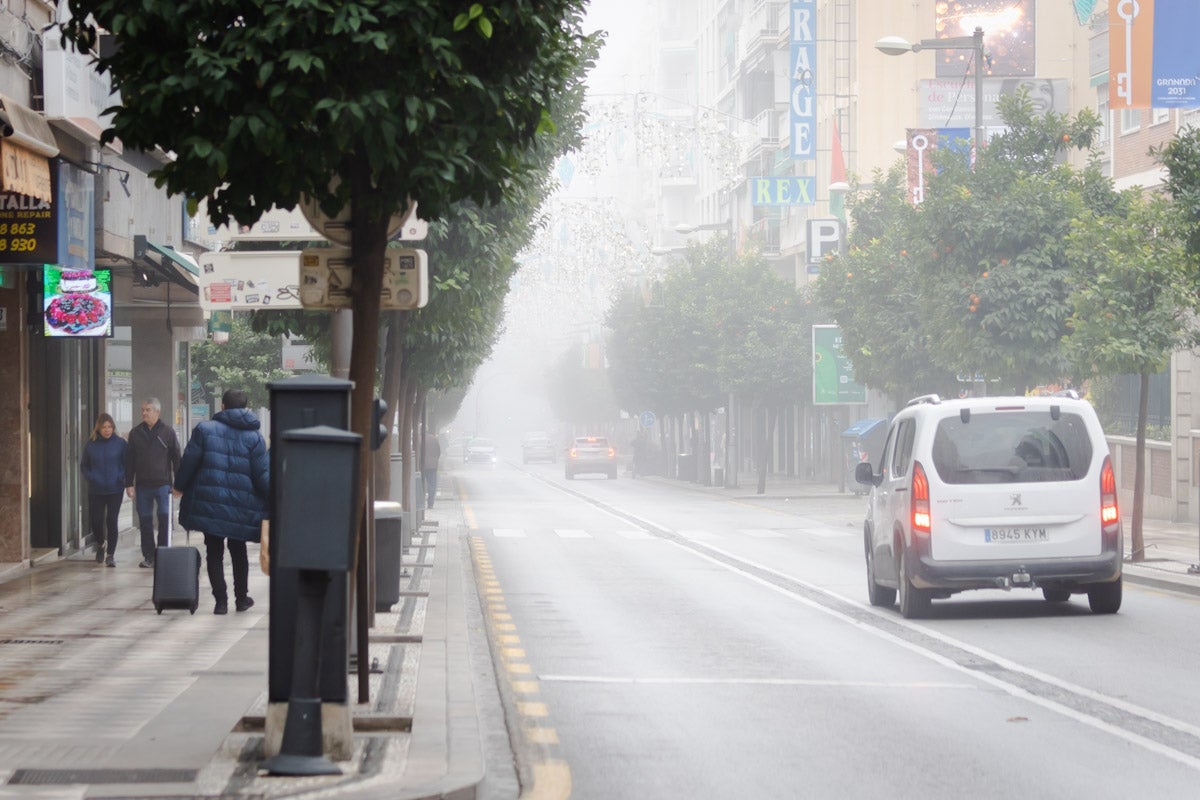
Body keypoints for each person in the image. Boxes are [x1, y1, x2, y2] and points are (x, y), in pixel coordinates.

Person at [174, 389, 269, 615]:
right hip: (241, 504)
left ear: (223, 407)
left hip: (210, 502)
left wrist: (179, 486)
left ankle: (221, 602)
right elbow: (261, 475)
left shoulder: (205, 430)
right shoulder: (254, 437)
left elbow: (189, 461)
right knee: (238, 551)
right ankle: (241, 598)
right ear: (245, 408)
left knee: (214, 551)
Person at [125, 397, 181, 569]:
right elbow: (129, 460)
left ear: (157, 412)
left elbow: (177, 459)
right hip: (142, 485)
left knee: (164, 518)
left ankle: (163, 553)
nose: (144, 413)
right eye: (143, 409)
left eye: (148, 409)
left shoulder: (168, 432)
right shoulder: (135, 433)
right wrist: (129, 483)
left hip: (163, 484)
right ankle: (148, 555)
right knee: (145, 521)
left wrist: (178, 483)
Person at [81, 412, 126, 567]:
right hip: (96, 489)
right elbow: (84, 466)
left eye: (110, 427)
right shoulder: (91, 444)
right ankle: (101, 544)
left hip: (115, 489)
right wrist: (91, 477)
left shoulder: (120, 443)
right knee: (96, 521)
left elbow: (126, 463)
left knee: (112, 521)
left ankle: (110, 555)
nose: (107, 430)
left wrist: (121, 477)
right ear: (98, 429)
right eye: (104, 427)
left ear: (113, 427)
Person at [421, 430, 441, 508]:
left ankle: (420, 504)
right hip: (432, 466)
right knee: (432, 485)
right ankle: (430, 503)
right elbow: (439, 452)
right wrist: (435, 460)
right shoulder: (434, 438)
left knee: (420, 485)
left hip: (421, 466)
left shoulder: (418, 438)